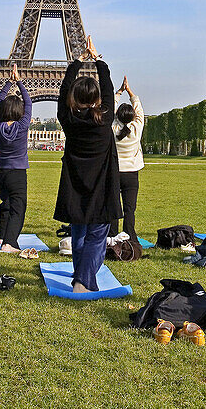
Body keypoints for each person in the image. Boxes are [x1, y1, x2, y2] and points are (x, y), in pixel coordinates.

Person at [54, 36, 122, 292]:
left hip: (75, 182)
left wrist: (77, 62)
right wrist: (98, 62)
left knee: (79, 230)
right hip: (101, 182)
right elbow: (107, 88)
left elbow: (63, 91)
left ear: (73, 97)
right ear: (98, 99)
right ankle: (83, 280)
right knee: (97, 233)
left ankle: (79, 276)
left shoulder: (68, 118)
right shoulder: (104, 118)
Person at [0, 63, 33, 253]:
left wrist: (9, 83)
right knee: (18, 208)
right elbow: (29, 103)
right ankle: (9, 243)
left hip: (0, 174)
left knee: (7, 205)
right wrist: (20, 83)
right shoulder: (23, 125)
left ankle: (3, 236)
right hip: (17, 174)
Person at [111, 75, 144, 238]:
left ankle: (112, 234)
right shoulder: (137, 127)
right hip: (131, 173)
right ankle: (129, 233)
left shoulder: (112, 128)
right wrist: (129, 91)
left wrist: (118, 93)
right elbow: (138, 109)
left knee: (113, 205)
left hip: (114, 172)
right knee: (130, 208)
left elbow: (110, 108)